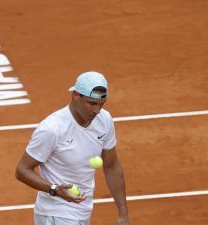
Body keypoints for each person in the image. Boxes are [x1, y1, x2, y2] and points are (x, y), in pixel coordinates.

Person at [15, 71, 131, 225]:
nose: (97, 111)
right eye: (92, 103)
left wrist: (123, 213)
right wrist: (54, 188)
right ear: (76, 95)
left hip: (82, 210)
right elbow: (22, 170)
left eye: (101, 105)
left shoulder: (105, 120)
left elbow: (111, 166)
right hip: (55, 213)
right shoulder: (52, 129)